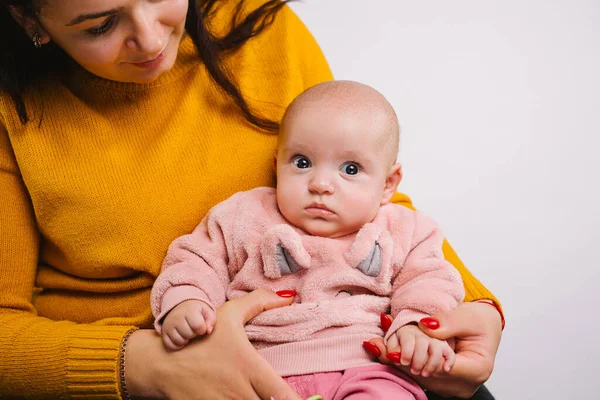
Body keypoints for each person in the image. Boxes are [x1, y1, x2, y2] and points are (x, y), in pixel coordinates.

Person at [0, 0, 503, 399]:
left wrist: (463, 309)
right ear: (27, 17)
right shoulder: (13, 109)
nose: (151, 38)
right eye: (99, 25)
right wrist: (140, 365)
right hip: (151, 371)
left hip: (365, 349)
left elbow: (367, 194)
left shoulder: (259, 22)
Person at [151, 80, 466, 399]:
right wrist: (187, 299)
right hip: (262, 370)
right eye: (302, 163)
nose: (320, 184)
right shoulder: (245, 215)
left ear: (388, 183)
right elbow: (195, 259)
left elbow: (430, 279)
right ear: (277, 166)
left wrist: (415, 325)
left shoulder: (404, 228)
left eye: (351, 169)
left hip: (369, 367)